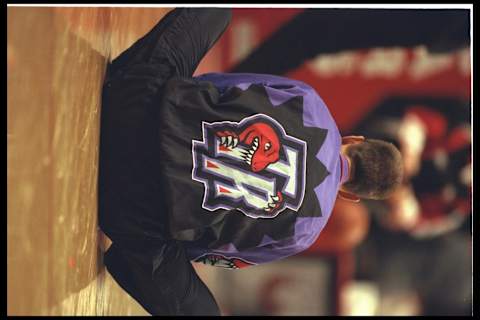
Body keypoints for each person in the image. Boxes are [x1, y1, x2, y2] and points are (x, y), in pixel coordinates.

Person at [98, 8, 403, 315]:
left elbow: (216, 85)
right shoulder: (304, 234)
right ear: (352, 195)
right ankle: (125, 256)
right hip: (130, 210)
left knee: (216, 13)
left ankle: (119, 80)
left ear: (354, 140)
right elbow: (211, 252)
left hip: (134, 105)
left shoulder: (310, 100)